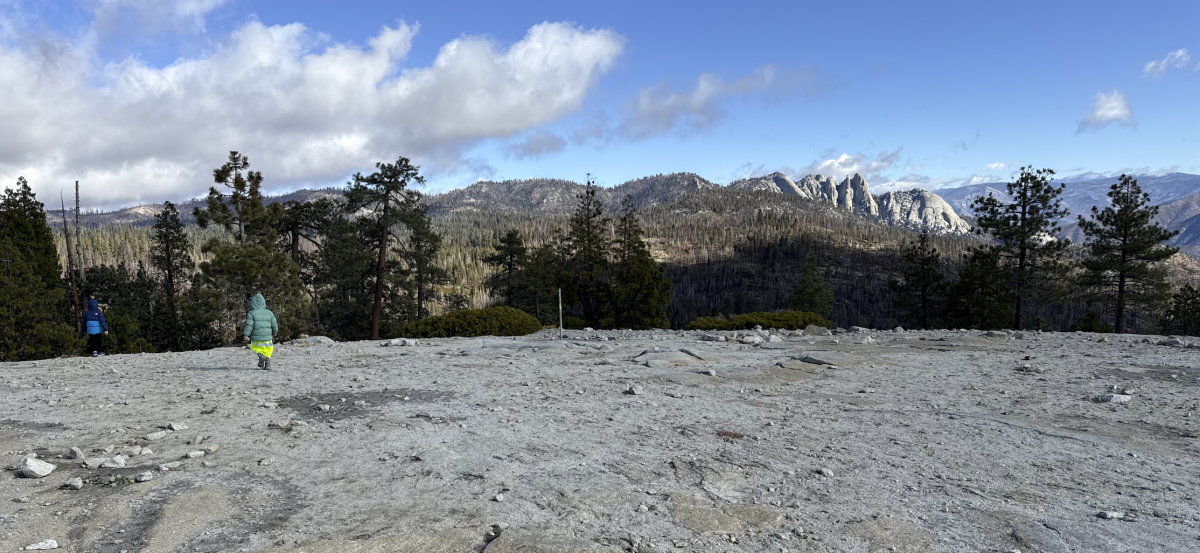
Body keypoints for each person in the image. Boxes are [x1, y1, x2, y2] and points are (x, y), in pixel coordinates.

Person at [243, 293, 279, 370]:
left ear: (252, 303)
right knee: (268, 350)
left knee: (256, 348)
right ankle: (268, 365)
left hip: (256, 338)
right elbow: (274, 323)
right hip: (267, 337)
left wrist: (246, 335)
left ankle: (261, 356)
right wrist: (275, 331)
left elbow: (249, 325)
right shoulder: (269, 312)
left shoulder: (251, 313)